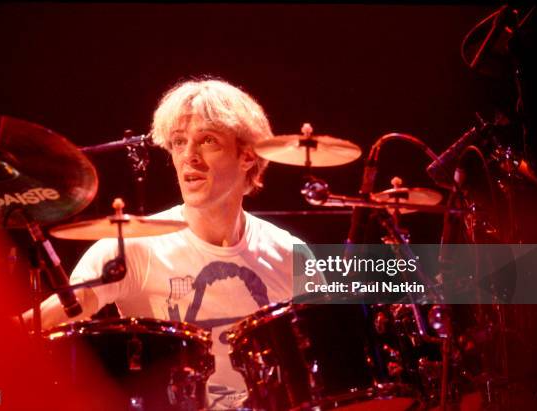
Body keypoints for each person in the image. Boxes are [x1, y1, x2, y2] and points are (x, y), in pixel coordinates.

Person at [24, 77, 321, 409]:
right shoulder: (133, 247)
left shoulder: (290, 254)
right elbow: (41, 323)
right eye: (179, 142)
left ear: (248, 156)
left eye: (208, 141)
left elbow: (327, 363)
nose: (188, 157)